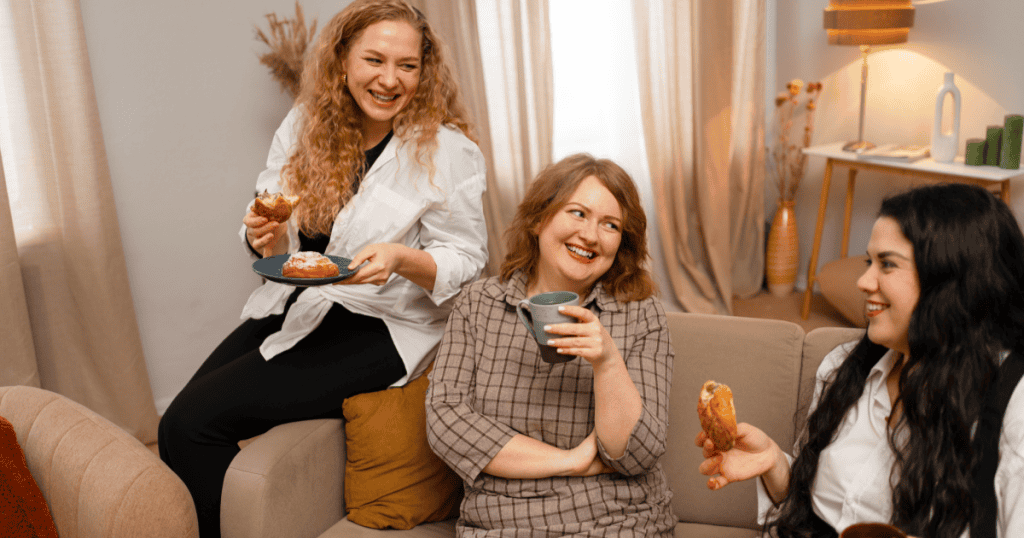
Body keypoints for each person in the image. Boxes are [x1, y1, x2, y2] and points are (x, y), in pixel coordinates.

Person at [158, 1, 488, 536]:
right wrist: (262, 234)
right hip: (302, 301)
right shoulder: (305, 124)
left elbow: (467, 261)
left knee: (192, 426)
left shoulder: (450, 152)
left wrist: (401, 258)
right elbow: (274, 218)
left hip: (383, 325)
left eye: (407, 65)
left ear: (424, 71)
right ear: (342, 59)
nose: (390, 79)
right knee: (175, 428)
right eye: (374, 60)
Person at [697, 183, 1024, 538]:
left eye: (887, 264)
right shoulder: (845, 367)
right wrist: (774, 463)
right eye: (870, 262)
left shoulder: (1012, 404)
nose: (864, 281)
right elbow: (814, 513)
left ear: (951, 280)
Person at [426, 154, 676, 537]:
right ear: (539, 219)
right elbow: (446, 421)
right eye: (578, 213)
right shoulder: (478, 304)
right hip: (502, 524)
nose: (590, 236)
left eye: (610, 225)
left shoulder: (641, 313)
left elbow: (637, 455)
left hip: (617, 521)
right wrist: (570, 461)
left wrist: (608, 362)